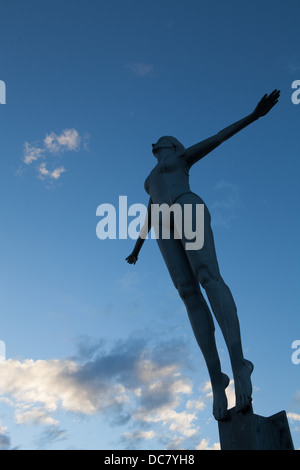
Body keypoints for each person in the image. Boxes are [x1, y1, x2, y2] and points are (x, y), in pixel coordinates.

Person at [126, 90, 280, 421]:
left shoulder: (179, 159)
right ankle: (216, 378)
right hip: (162, 228)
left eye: (161, 141)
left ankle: (240, 364)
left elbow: (218, 138)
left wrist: (254, 116)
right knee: (187, 294)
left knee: (207, 276)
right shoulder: (149, 179)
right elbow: (151, 211)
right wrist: (136, 248)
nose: (155, 143)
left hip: (186, 206)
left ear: (172, 145)